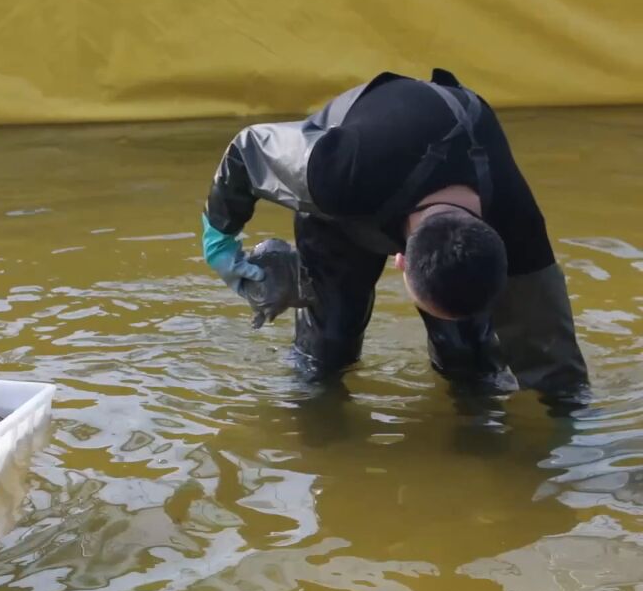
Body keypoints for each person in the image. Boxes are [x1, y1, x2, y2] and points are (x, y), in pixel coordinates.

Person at [200, 68, 591, 416]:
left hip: (417, 179)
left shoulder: (517, 223)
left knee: (471, 357)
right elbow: (248, 150)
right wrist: (220, 236)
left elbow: (548, 347)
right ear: (401, 260)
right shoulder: (337, 170)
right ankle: (320, 429)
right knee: (328, 348)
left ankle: (472, 423)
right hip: (350, 200)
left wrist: (570, 422)